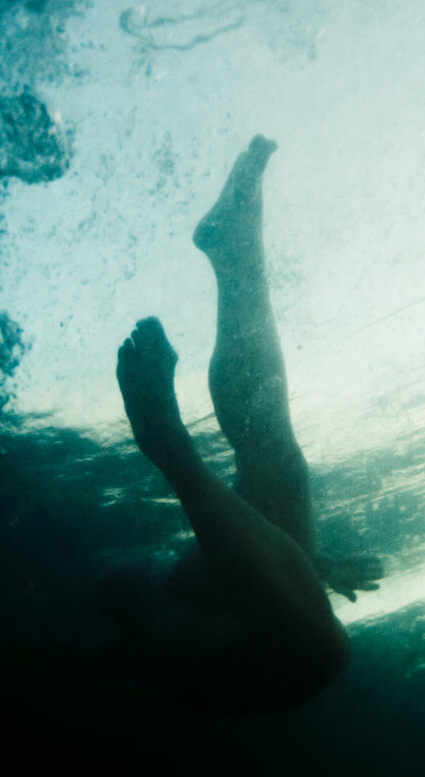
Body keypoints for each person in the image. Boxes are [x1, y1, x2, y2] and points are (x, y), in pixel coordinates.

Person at [112, 135, 378, 712]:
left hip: (178, 639)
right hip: (212, 617)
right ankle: (236, 250)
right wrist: (304, 565)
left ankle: (169, 446)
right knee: (273, 458)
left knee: (317, 655)